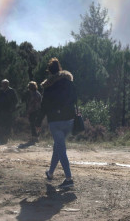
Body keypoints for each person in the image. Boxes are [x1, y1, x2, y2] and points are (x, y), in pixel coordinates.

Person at [40, 58, 77, 189]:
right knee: (58, 147)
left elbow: (43, 105)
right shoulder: (68, 82)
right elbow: (75, 98)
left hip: (55, 120)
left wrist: (38, 122)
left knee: (61, 148)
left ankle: (68, 178)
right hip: (69, 119)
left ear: (49, 71)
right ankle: (50, 173)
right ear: (60, 69)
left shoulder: (48, 85)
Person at [0, 79, 19, 143]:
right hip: (1, 109)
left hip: (8, 110)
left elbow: (15, 100)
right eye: (3, 84)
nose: (4, 85)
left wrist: (12, 108)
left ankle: (6, 138)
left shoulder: (11, 91)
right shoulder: (0, 91)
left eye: (6, 84)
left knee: (8, 124)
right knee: (0, 124)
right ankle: (0, 137)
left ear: (8, 84)